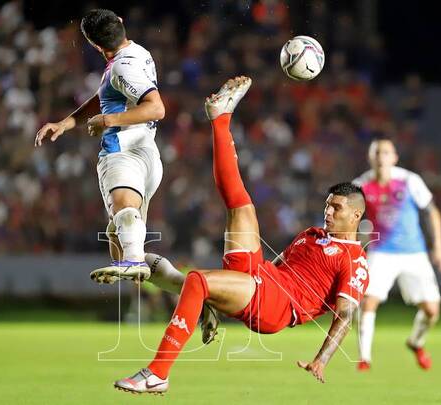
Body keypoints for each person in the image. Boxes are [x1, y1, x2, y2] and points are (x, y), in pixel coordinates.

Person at [111, 76, 370, 395]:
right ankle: (221, 119)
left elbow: (345, 315)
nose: (328, 213)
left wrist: (321, 360)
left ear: (356, 215)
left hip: (276, 306)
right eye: (327, 206)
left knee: (198, 281)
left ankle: (157, 373)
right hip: (265, 277)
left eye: (337, 209)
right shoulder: (312, 234)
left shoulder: (355, 261)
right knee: (240, 204)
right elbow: (280, 268)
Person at [35, 9, 175, 283]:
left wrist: (109, 120)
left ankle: (132, 261)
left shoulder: (122, 67)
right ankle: (190, 292)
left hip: (123, 153)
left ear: (94, 45)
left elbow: (156, 108)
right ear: (121, 24)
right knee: (119, 235)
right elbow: (107, 94)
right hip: (146, 155)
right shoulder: (138, 54)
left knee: (126, 226)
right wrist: (66, 123)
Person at [353, 137, 441, 371]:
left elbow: (432, 212)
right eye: (376, 153)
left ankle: (416, 342)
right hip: (381, 252)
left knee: (432, 311)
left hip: (414, 253)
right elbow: (348, 218)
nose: (380, 157)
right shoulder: (360, 185)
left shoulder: (409, 180)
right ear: (370, 157)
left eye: (385, 152)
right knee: (368, 302)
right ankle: (364, 358)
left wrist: (438, 246)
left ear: (394, 157)